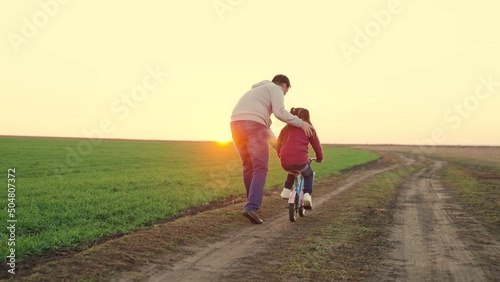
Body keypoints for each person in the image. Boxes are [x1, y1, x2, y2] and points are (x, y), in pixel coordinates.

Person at [230, 75, 314, 224]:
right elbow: (280, 112)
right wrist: (301, 123)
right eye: (286, 91)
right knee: (260, 168)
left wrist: (276, 144)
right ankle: (251, 207)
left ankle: (251, 205)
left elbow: (265, 126)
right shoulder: (275, 89)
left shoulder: (256, 93)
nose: (284, 94)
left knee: (248, 166)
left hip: (235, 124)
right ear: (284, 86)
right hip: (254, 125)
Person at [276, 107, 323, 209]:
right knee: (309, 174)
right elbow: (316, 146)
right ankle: (307, 195)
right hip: (301, 162)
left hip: (285, 161)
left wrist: (280, 156)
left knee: (292, 171)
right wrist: (319, 158)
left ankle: (286, 191)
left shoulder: (286, 128)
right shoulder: (309, 128)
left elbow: (278, 145)